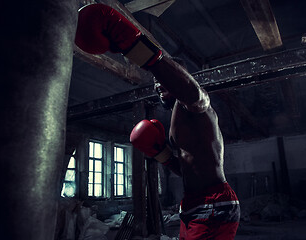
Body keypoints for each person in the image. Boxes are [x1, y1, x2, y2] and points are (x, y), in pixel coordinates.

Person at [75, 3, 240, 239]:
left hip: (214, 204)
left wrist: (138, 49)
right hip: (193, 204)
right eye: (155, 82)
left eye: (163, 80)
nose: (157, 85)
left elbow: (197, 96)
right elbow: (187, 170)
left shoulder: (196, 106)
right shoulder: (178, 115)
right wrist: (161, 154)